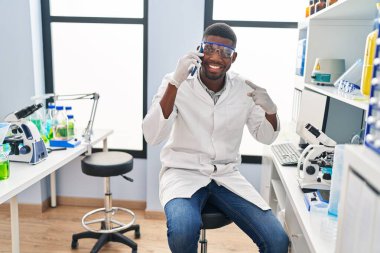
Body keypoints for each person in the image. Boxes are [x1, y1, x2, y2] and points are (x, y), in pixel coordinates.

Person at [142, 23, 289, 253]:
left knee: (277, 240)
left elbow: (265, 136)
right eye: (210, 48)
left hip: (225, 174)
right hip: (183, 172)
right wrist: (174, 84)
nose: (216, 57)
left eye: (225, 52)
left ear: (234, 58)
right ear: (200, 49)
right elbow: (152, 135)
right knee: (182, 231)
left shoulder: (243, 89)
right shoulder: (177, 82)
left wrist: (271, 110)